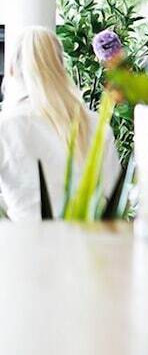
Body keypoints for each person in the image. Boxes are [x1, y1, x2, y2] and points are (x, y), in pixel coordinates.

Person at [0, 27, 119, 221]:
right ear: (61, 67)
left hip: (23, 239)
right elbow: (112, 199)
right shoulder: (95, 125)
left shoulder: (6, 126)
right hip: (85, 239)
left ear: (12, 69)